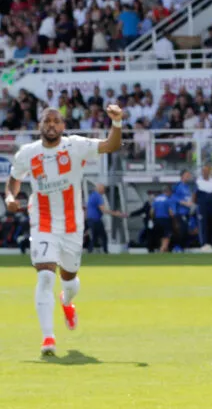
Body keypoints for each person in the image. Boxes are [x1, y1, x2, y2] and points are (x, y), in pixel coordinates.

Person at [5, 105, 124, 357]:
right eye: (46, 120)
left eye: (56, 121)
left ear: (63, 126)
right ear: (40, 125)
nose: (51, 124)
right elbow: (14, 179)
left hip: (72, 225)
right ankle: (48, 337)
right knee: (45, 276)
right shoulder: (28, 153)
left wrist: (116, 122)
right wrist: (9, 197)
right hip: (43, 222)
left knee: (69, 280)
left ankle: (67, 301)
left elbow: (110, 145)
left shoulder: (75, 146)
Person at [84, 182, 126, 254]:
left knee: (95, 237)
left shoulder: (92, 195)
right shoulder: (98, 196)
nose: (104, 190)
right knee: (103, 236)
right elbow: (103, 210)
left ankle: (90, 251)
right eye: (104, 189)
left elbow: (87, 208)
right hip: (95, 220)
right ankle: (105, 251)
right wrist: (116, 213)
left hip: (90, 219)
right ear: (99, 189)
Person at [195, 162, 212, 249]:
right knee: (203, 226)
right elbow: (195, 195)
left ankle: (211, 243)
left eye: (207, 171)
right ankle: (203, 244)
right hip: (202, 206)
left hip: (211, 206)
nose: (205, 172)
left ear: (210, 172)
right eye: (204, 171)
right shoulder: (198, 181)